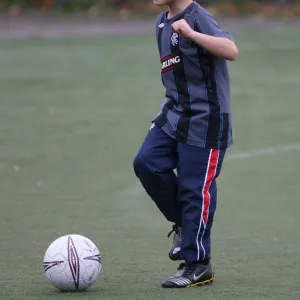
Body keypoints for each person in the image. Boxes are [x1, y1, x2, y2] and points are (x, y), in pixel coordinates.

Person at [133, 0, 238, 288]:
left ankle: (199, 264)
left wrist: (192, 34)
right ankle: (183, 224)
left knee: (195, 189)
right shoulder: (162, 21)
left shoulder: (197, 17)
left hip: (206, 119)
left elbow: (231, 50)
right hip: (174, 115)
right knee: (147, 163)